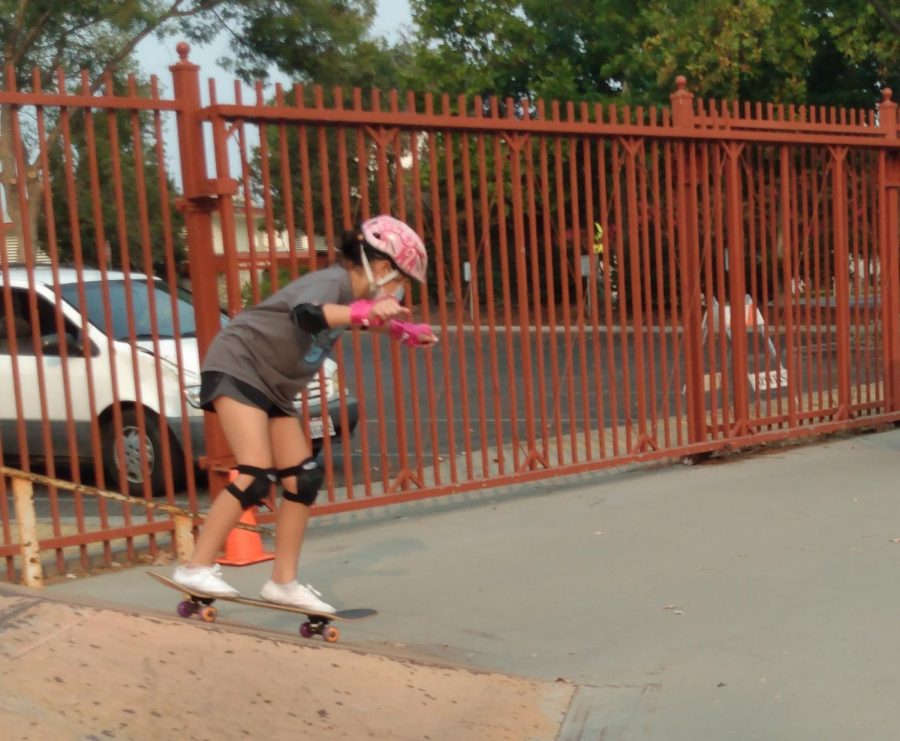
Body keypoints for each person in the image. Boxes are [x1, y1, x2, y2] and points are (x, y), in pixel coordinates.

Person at [172, 215, 436, 613]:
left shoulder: (352, 298)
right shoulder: (332, 282)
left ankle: (283, 582)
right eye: (402, 281)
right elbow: (308, 315)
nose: (400, 291)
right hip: (239, 365)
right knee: (255, 473)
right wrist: (365, 314)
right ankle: (196, 566)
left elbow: (359, 320)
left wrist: (403, 331)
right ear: (383, 268)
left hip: (275, 386)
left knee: (303, 478)